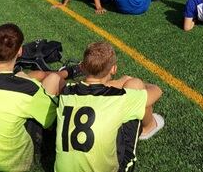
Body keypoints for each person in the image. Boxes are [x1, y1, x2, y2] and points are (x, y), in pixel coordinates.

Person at [0, 24, 67, 172]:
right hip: (15, 163)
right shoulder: (28, 89)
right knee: (53, 82)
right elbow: (50, 120)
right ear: (19, 51)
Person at [55, 42, 164, 172]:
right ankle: (148, 128)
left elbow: (54, 79)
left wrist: (65, 72)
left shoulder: (66, 92)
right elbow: (157, 91)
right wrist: (129, 82)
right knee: (136, 85)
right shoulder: (118, 99)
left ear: (83, 67)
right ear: (113, 69)